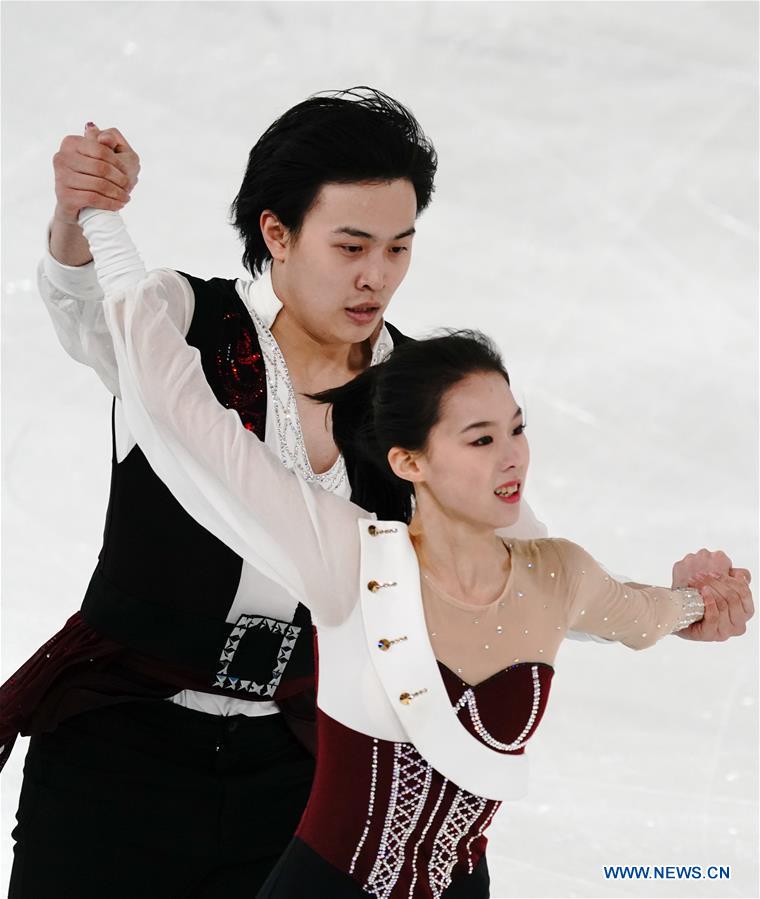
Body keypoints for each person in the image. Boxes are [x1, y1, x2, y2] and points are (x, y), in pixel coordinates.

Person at [80, 205, 752, 898]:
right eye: (480, 439)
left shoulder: (558, 572)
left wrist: (701, 601)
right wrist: (105, 228)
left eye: (516, 430)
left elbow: (644, 613)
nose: (512, 457)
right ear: (410, 461)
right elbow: (184, 414)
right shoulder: (349, 558)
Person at [2, 88, 456, 898]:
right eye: (351, 245)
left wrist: (667, 605)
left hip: (294, 765)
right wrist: (79, 216)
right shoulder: (183, 326)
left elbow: (495, 561)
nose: (376, 276)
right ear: (277, 233)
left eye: (398, 247)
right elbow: (81, 306)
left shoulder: (423, 397)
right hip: (118, 756)